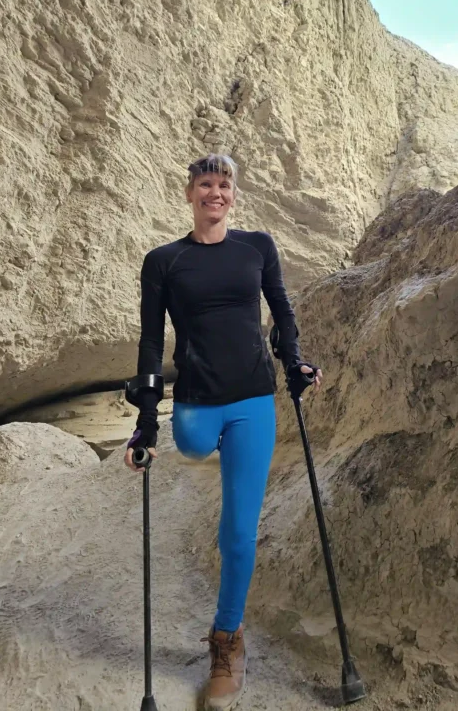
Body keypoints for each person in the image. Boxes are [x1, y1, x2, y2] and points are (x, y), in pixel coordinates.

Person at [124, 153, 322, 710]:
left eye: (224, 184)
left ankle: (226, 639)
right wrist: (145, 423)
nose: (216, 193)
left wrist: (296, 363)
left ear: (234, 193)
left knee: (236, 534)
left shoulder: (256, 248)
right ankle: (211, 447)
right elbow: (148, 339)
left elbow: (281, 310)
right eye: (205, 184)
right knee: (189, 440)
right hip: (194, 403)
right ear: (189, 193)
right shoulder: (164, 261)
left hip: (254, 399)